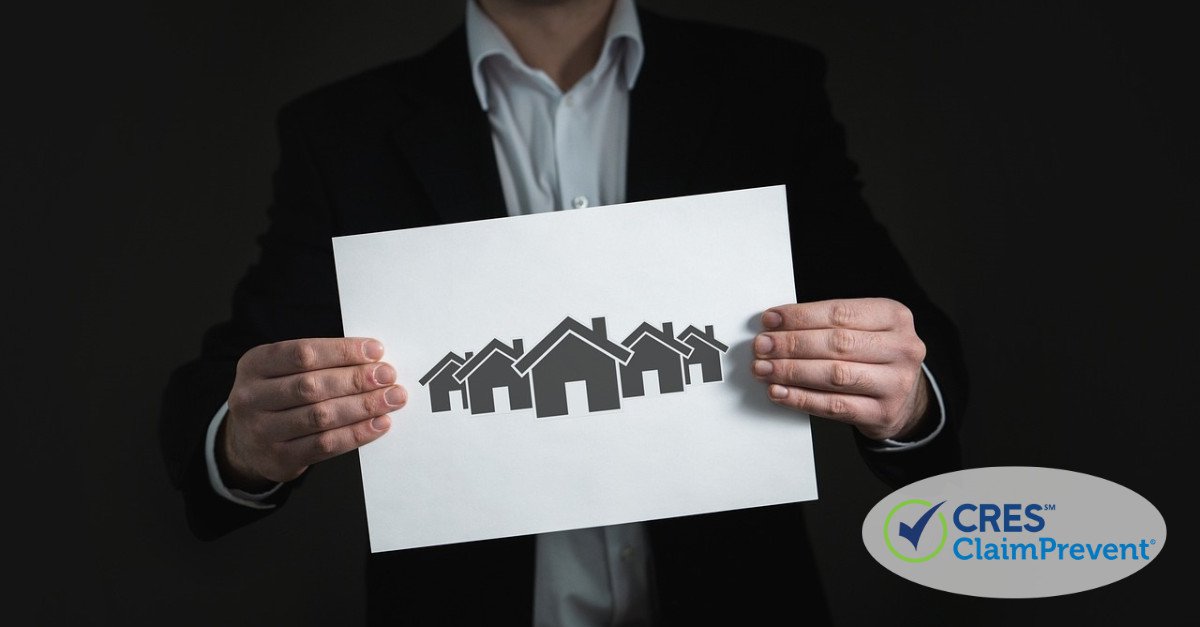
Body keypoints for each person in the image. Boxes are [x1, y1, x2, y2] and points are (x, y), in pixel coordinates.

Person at [160, 0, 968, 624]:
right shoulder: (341, 134)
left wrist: (903, 393)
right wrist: (243, 439)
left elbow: (926, 363)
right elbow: (224, 397)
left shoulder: (769, 89)